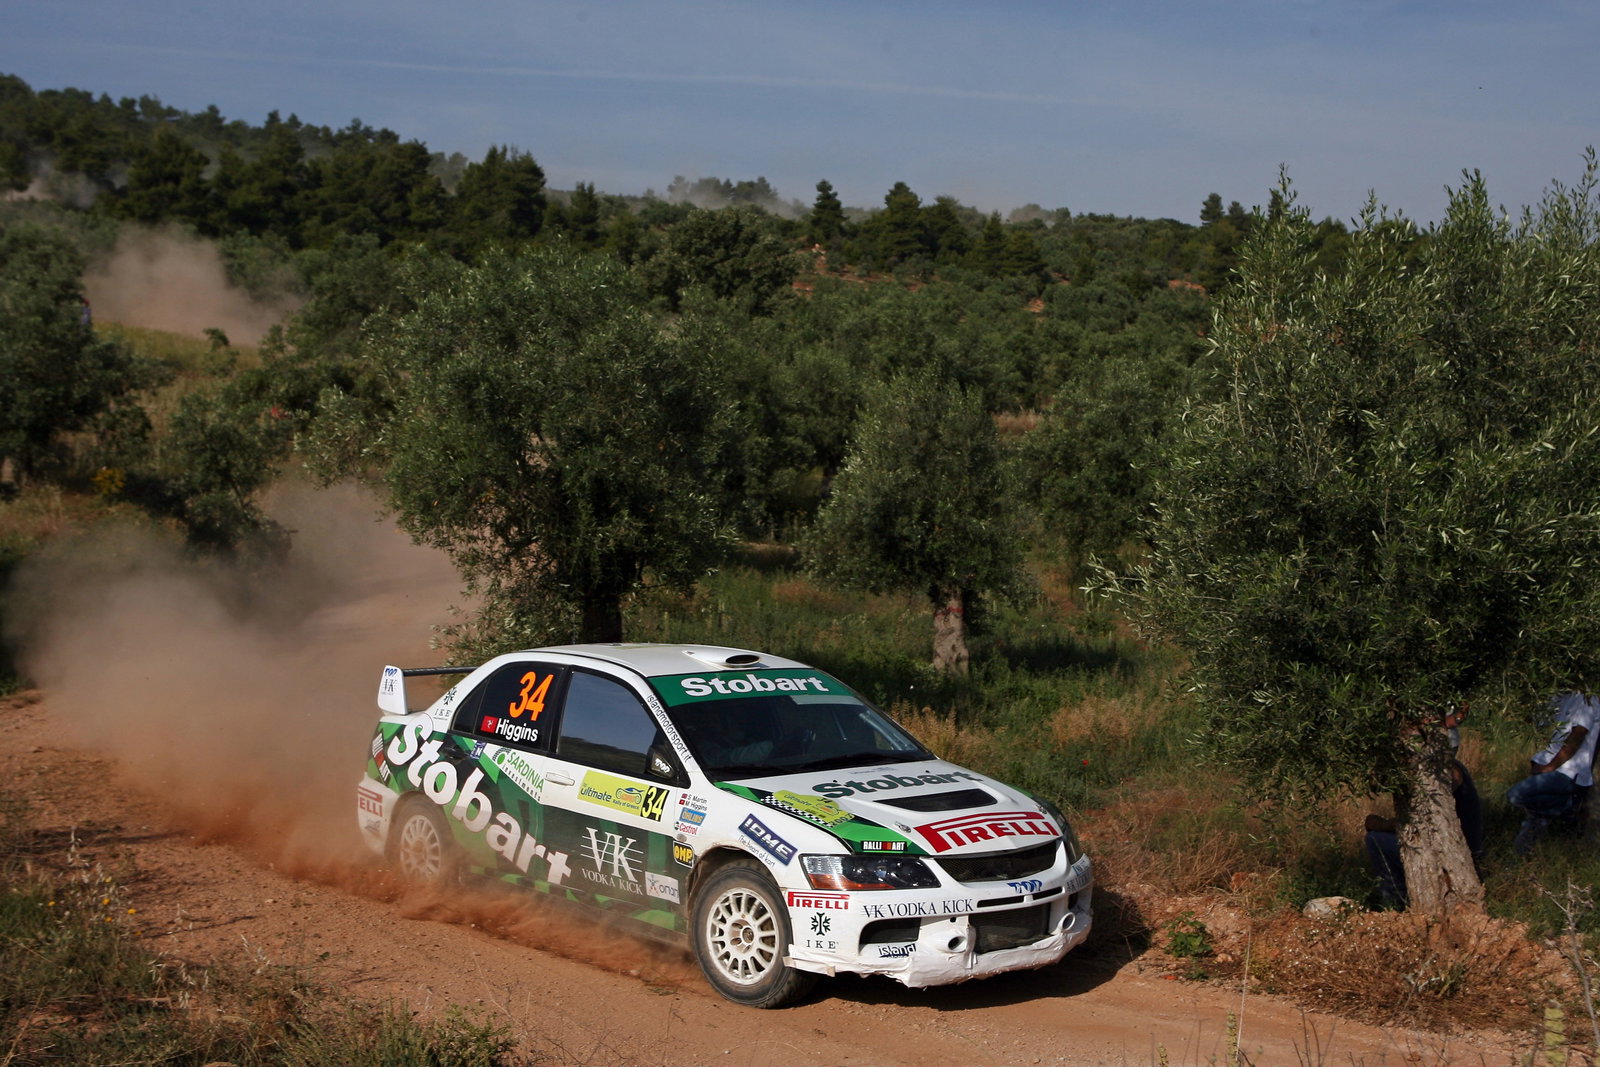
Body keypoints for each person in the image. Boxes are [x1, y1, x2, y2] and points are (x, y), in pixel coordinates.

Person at [1364, 703, 1484, 910]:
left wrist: (1383, 825)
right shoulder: (1449, 771)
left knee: (1376, 840)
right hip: (1457, 849)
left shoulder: (1448, 774)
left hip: (1454, 854)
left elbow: (1422, 822)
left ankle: (1393, 903)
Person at [1507, 690, 1600, 855]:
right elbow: (1538, 724)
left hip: (1568, 771)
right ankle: (1519, 859)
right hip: (1549, 765)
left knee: (1516, 795)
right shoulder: (1559, 696)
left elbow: (1577, 736)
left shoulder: (1587, 700)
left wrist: (1550, 766)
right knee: (1535, 820)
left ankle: (1568, 807)